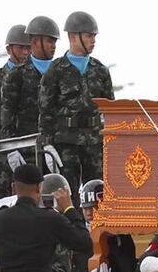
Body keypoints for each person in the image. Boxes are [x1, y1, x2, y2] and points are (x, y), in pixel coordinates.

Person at [38, 11, 114, 205]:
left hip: (94, 140)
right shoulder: (55, 70)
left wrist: (111, 140)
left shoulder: (100, 70)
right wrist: (47, 144)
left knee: (98, 191)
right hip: (66, 141)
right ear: (73, 36)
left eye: (94, 36)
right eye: (89, 36)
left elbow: (111, 109)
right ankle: (72, 222)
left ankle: (97, 224)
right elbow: (46, 110)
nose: (93, 41)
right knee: (67, 190)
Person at [1, 16, 60, 146]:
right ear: (35, 42)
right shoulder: (16, 75)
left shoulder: (62, 72)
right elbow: (7, 119)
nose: (54, 46)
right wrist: (12, 150)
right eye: (50, 41)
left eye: (55, 42)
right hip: (27, 148)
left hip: (59, 146)